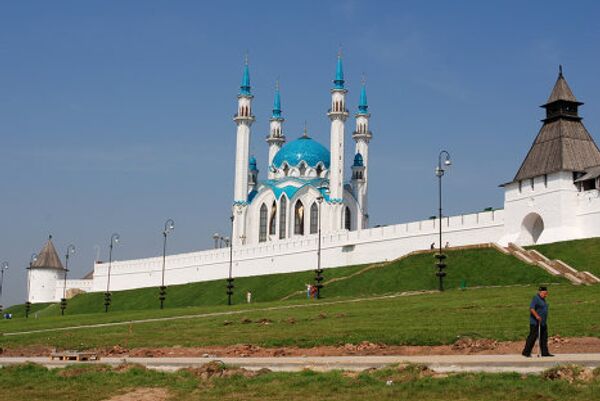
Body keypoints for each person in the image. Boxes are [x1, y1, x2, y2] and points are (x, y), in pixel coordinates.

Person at [522, 286, 554, 357]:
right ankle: (526, 352)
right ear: (540, 292)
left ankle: (545, 352)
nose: (546, 295)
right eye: (544, 293)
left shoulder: (543, 300)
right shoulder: (536, 298)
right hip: (535, 323)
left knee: (544, 337)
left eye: (546, 293)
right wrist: (536, 316)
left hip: (543, 323)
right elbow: (531, 308)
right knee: (532, 337)